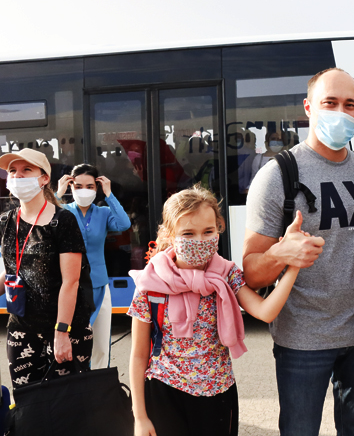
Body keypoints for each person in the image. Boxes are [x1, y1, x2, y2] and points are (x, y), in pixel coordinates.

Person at [242, 67, 354, 436]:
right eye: (329, 103)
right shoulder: (277, 175)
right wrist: (280, 254)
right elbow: (251, 273)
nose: (340, 112)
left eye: (349, 105)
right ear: (308, 107)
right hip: (301, 341)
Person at [128, 185, 301, 436]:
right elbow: (138, 355)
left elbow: (265, 311)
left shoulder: (227, 274)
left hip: (217, 393)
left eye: (208, 231)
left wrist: (293, 265)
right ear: (169, 234)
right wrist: (140, 417)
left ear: (219, 227)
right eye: (188, 233)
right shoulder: (151, 283)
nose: (200, 240)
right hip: (164, 393)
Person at [0, 149, 94, 388]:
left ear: (44, 179)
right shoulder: (6, 221)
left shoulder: (62, 221)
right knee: (28, 408)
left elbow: (71, 282)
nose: (18, 176)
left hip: (64, 329)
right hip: (21, 330)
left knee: (67, 409)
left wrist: (62, 333)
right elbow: (11, 273)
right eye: (13, 171)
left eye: (26, 170)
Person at [57, 164, 132, 369]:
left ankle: (99, 384)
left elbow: (124, 224)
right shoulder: (62, 212)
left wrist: (109, 194)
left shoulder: (104, 213)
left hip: (99, 284)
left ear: (96, 188)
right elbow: (42, 222)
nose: (84, 190)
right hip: (68, 286)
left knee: (100, 343)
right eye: (78, 185)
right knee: (71, 340)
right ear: (71, 186)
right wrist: (58, 193)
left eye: (90, 186)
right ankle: (73, 383)